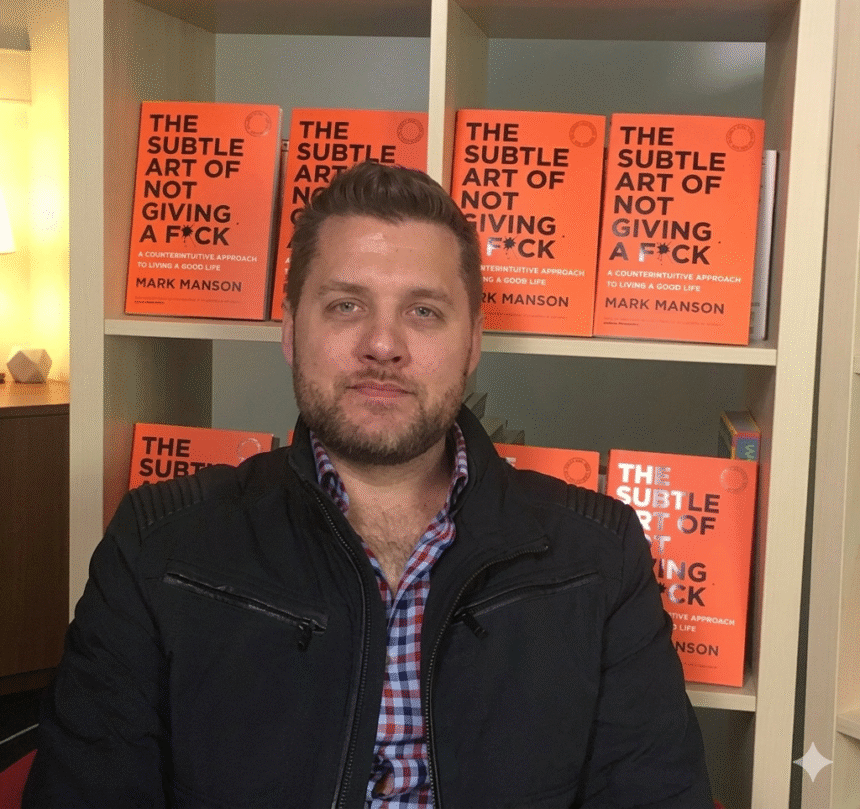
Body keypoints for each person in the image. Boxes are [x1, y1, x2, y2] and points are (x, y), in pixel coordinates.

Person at [24, 161, 714, 808]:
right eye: (347, 305)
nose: (383, 345)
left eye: (423, 312)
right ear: (290, 330)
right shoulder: (158, 545)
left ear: (473, 342)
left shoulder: (599, 557)